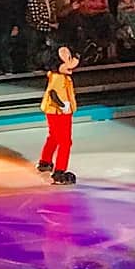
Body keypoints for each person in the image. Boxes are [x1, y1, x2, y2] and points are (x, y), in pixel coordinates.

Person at [36, 46, 80, 185]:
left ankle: (45, 161)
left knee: (54, 136)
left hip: (57, 111)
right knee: (65, 141)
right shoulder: (58, 77)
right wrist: (63, 105)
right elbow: (53, 94)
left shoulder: (62, 76)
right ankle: (60, 171)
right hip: (59, 112)